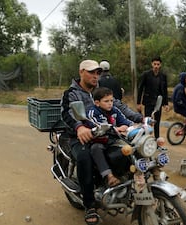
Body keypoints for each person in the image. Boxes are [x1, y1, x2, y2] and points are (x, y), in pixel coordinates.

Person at [61, 59, 101, 225]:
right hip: (77, 137)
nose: (95, 76)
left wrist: (137, 118)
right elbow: (67, 113)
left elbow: (117, 105)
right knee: (85, 158)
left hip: (101, 133)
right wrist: (79, 127)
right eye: (91, 72)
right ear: (81, 72)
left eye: (97, 72)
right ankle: (89, 205)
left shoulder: (100, 91)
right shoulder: (71, 93)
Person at [85, 87, 134, 187]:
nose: (110, 103)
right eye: (106, 101)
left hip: (113, 140)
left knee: (131, 147)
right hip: (98, 140)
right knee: (96, 149)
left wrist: (134, 126)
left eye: (111, 100)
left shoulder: (114, 110)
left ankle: (129, 172)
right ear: (97, 103)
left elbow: (126, 122)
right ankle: (109, 176)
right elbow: (97, 125)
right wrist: (117, 128)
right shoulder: (92, 112)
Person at [137, 56, 169, 138]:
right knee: (147, 121)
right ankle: (146, 138)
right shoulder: (146, 74)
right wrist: (138, 103)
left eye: (158, 64)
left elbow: (164, 90)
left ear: (160, 65)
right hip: (148, 101)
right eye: (154, 64)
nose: (156, 66)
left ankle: (157, 139)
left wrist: (166, 103)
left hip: (158, 101)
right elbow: (140, 88)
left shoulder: (163, 76)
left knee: (157, 121)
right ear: (152, 64)